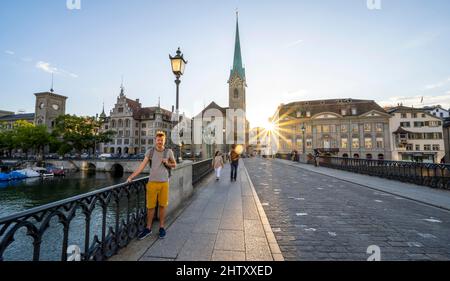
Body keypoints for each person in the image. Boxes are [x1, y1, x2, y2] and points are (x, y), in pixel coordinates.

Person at [127, 131, 176, 240]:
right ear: (155, 140)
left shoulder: (168, 152)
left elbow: (174, 165)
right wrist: (131, 177)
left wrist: (167, 163)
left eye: (162, 140)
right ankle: (148, 228)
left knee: (163, 206)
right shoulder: (150, 152)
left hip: (164, 183)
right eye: (158, 140)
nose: (160, 142)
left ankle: (162, 227)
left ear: (164, 141)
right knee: (150, 207)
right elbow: (141, 167)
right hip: (152, 183)